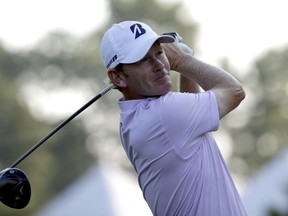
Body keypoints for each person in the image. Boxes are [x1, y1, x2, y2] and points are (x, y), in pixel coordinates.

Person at [100, 20, 247, 216]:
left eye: (159, 53)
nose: (159, 65)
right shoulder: (163, 114)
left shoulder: (133, 117)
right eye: (143, 59)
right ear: (118, 77)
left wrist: (186, 73)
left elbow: (189, 124)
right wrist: (182, 61)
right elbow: (234, 91)